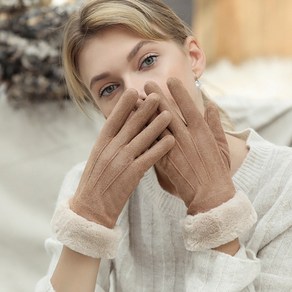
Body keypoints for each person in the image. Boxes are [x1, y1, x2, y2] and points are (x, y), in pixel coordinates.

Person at [36, 0, 292, 291]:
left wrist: (217, 214)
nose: (134, 92)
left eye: (147, 61)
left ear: (194, 57)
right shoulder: (84, 187)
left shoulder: (285, 183)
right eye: (109, 89)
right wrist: (90, 221)